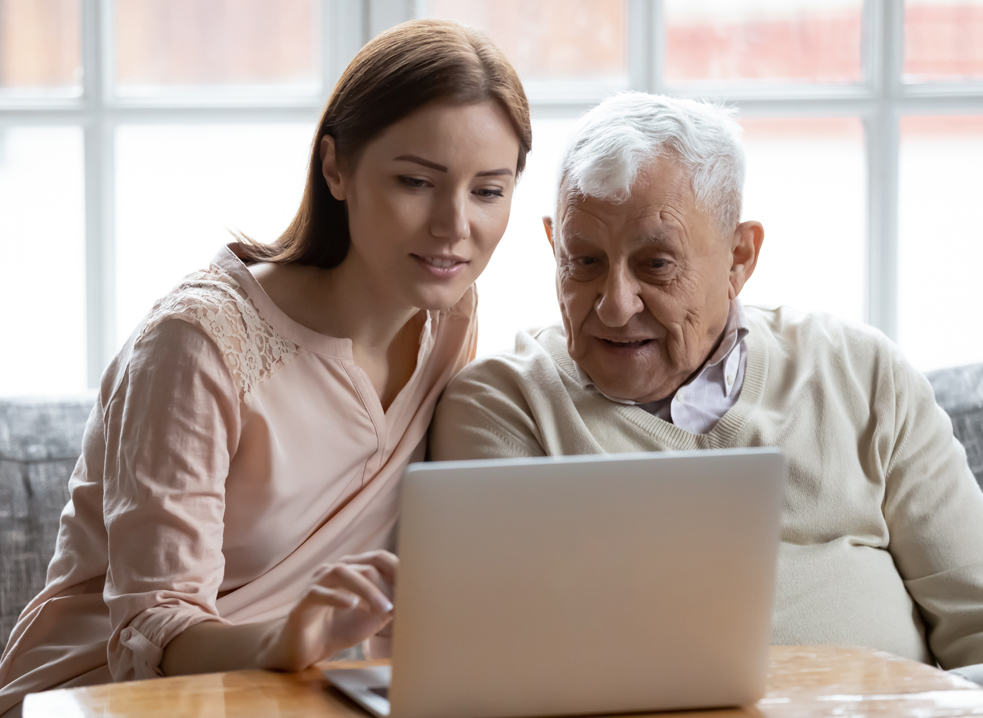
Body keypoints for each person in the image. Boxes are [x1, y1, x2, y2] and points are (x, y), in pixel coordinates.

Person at [0, 19, 530, 716]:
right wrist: (285, 640)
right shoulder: (195, 346)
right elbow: (152, 628)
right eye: (414, 182)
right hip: (101, 697)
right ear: (335, 168)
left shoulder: (449, 318)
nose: (454, 227)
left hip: (284, 693)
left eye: (487, 191)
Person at [430, 92, 983, 676]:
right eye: (584, 261)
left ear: (739, 257)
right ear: (553, 246)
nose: (615, 306)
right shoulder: (503, 407)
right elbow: (512, 663)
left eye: (656, 264)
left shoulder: (863, 372)